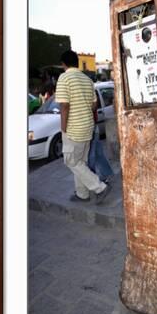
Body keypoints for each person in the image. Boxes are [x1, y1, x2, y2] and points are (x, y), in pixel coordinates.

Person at [55, 49, 111, 203]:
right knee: (81, 162)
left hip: (74, 128)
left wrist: (63, 128)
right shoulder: (87, 79)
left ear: (63, 64)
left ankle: (100, 187)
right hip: (88, 127)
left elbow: (64, 106)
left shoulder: (64, 78)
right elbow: (94, 104)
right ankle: (82, 194)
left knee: (71, 161)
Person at [88, 109, 114, 183]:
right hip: (93, 126)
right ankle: (107, 174)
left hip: (90, 128)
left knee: (91, 156)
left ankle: (94, 181)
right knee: (98, 154)